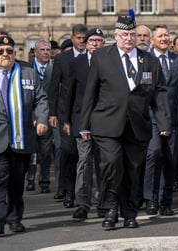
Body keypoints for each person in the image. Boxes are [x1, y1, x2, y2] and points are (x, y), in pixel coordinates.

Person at [80, 15, 169, 230]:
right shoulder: (102, 57)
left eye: (132, 34)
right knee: (111, 164)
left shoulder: (149, 60)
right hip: (106, 123)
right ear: (116, 35)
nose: (129, 39)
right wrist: (84, 124)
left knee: (132, 169)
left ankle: (129, 212)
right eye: (124, 35)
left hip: (137, 125)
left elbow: (160, 92)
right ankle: (110, 210)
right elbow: (90, 92)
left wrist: (164, 122)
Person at [0, 36, 49, 235]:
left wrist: (41, 120)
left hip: (21, 138)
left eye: (9, 51)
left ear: (15, 53)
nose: (6, 54)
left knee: (16, 182)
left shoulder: (28, 74)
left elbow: (41, 99)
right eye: (1, 52)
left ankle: (14, 218)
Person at [60, 28, 105, 220]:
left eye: (99, 40)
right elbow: (68, 92)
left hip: (104, 121)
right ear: (85, 44)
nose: (95, 43)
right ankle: (82, 204)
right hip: (81, 120)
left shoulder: (109, 61)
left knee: (104, 164)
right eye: (91, 40)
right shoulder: (76, 63)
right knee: (84, 163)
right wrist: (67, 119)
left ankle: (104, 203)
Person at [48, 24, 88, 205]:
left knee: (83, 156)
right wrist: (53, 113)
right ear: (72, 38)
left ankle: (80, 193)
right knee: (69, 151)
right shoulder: (62, 59)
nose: (82, 41)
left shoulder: (92, 57)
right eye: (78, 38)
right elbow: (54, 87)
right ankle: (68, 190)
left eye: (84, 38)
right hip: (65, 114)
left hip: (84, 114)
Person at [143, 24, 175, 216]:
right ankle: (151, 199)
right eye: (160, 36)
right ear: (152, 40)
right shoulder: (145, 61)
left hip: (175, 119)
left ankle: (166, 201)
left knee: (170, 161)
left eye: (166, 35)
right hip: (151, 118)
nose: (164, 38)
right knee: (153, 155)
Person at [26, 39, 54, 194]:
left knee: (45, 151)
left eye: (48, 50)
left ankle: (44, 181)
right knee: (30, 151)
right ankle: (30, 179)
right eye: (42, 50)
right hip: (30, 117)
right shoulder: (26, 69)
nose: (45, 52)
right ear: (35, 52)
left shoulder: (54, 68)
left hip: (48, 116)